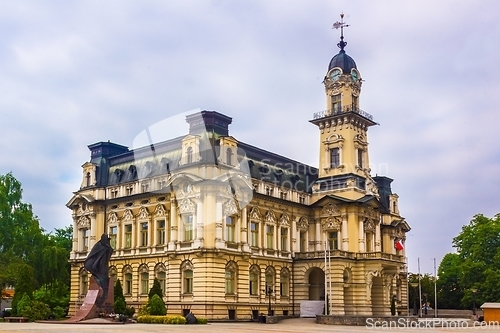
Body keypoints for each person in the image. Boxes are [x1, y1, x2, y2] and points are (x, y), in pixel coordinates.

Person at [84, 234, 113, 307]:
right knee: (101, 280)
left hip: (103, 266)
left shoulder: (107, 246)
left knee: (105, 280)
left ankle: (103, 296)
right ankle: (102, 295)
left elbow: (110, 252)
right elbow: (93, 255)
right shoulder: (98, 245)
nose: (108, 241)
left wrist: (108, 248)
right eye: (107, 239)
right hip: (97, 266)